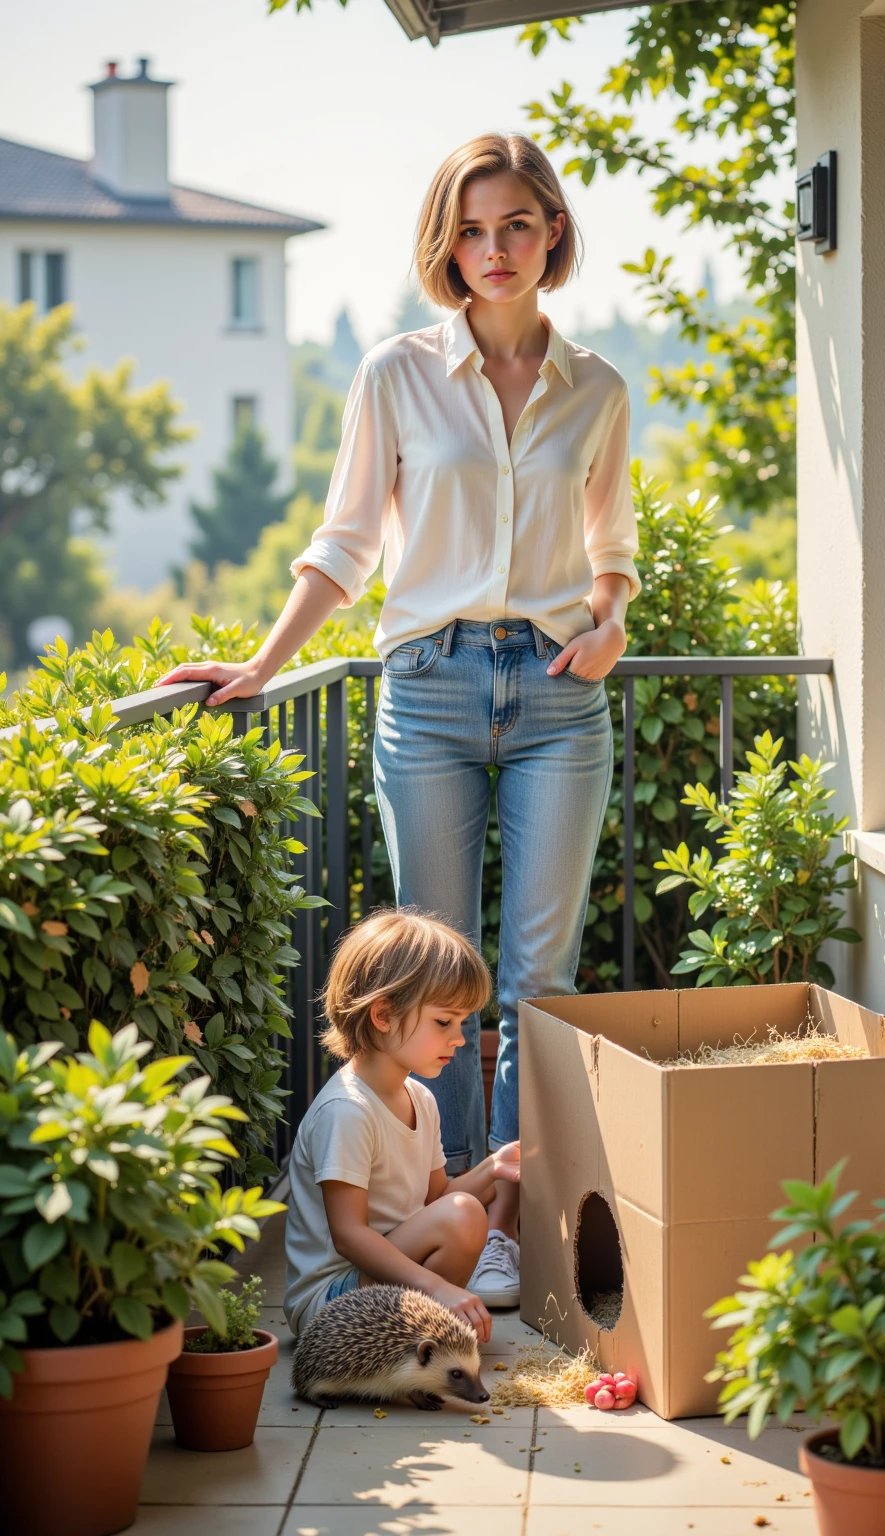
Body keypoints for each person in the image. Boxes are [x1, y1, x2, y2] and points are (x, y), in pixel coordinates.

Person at [158, 132, 640, 1308]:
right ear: (446, 242)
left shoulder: (599, 389)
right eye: (471, 229)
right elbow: (346, 544)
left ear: (554, 232)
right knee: (437, 980)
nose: (493, 250)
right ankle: (449, 1209)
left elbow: (612, 550)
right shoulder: (395, 372)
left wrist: (612, 618)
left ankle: (512, 1223)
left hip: (557, 695)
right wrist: (268, 663)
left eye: (516, 225)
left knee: (539, 977)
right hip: (424, 688)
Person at [282, 908, 520, 1340]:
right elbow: (349, 1236)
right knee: (465, 1216)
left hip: (380, 1280)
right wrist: (438, 1287)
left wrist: (495, 1166)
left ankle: (415, 1342)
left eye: (463, 1023)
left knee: (464, 1215)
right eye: (444, 1022)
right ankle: (416, 1339)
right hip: (331, 1302)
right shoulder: (347, 1111)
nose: (460, 1038)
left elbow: (438, 1203)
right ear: (383, 1015)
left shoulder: (420, 1099)